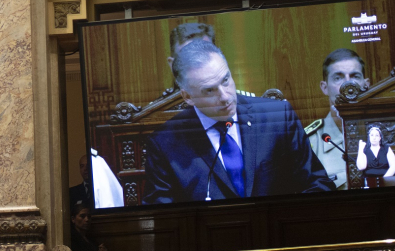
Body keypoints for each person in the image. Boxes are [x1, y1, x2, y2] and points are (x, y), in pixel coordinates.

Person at [142, 40, 332, 204]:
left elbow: (318, 184)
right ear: (187, 96)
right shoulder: (164, 144)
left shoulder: (277, 117)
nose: (225, 97)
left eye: (226, 80)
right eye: (209, 90)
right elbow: (162, 215)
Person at [308, 48, 371, 191]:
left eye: (355, 76)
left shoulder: (383, 133)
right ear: (324, 87)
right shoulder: (310, 144)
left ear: (366, 85)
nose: (348, 85)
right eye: (338, 78)